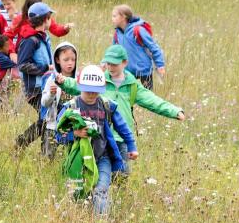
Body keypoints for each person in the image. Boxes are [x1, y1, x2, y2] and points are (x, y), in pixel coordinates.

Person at [56, 44, 184, 172]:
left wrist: (174, 111)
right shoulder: (100, 81)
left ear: (124, 63)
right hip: (102, 136)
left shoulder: (132, 85)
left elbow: (152, 101)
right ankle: (98, 191)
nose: (110, 67)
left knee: (121, 173)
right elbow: (77, 85)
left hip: (120, 137)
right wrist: (63, 81)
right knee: (96, 170)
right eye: (108, 63)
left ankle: (116, 191)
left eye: (114, 64)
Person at [56, 65, 137, 216]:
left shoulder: (107, 105)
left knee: (101, 190)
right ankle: (80, 220)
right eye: (88, 90)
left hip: (102, 157)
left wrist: (132, 146)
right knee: (79, 195)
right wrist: (75, 134)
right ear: (80, 86)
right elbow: (58, 135)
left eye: (96, 90)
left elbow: (123, 127)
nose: (92, 94)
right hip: (79, 160)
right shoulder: (70, 107)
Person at [15, 2, 54, 150]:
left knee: (47, 118)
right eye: (50, 18)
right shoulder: (30, 40)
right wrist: (45, 68)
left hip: (45, 85)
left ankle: (43, 151)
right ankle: (22, 143)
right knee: (46, 118)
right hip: (35, 88)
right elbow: (23, 65)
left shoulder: (42, 37)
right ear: (45, 19)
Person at [111, 4, 165, 90]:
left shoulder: (138, 30)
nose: (112, 19)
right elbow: (112, 52)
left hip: (144, 70)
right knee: (127, 98)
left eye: (114, 16)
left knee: (148, 98)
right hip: (127, 71)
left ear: (123, 17)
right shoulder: (117, 33)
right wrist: (105, 64)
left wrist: (160, 65)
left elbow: (154, 47)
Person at [40, 42, 77, 159]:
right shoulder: (52, 79)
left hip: (72, 125)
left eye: (73, 59)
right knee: (48, 155)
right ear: (57, 60)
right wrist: (51, 94)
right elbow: (44, 102)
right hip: (53, 124)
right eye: (66, 60)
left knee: (69, 155)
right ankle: (47, 174)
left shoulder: (78, 80)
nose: (70, 63)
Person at [5, 0, 74, 55]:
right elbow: (6, 36)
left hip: (40, 51)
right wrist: (12, 52)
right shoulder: (20, 19)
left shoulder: (45, 18)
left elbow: (56, 29)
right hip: (23, 53)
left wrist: (65, 28)